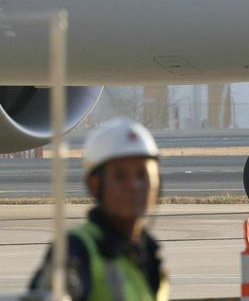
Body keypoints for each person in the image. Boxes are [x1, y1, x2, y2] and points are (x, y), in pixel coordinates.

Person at [29, 117, 169, 300]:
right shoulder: (76, 251)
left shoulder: (150, 256)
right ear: (94, 185)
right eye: (120, 176)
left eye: (143, 175)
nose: (134, 185)